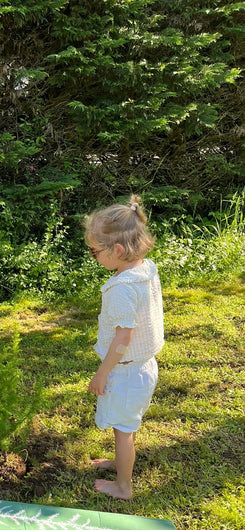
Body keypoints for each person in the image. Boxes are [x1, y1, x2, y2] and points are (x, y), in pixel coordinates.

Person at [85, 195, 164, 499]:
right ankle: (120, 464)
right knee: (126, 425)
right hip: (144, 367)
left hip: (127, 372)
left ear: (116, 250)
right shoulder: (146, 269)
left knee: (123, 431)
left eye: (94, 252)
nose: (93, 257)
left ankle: (123, 486)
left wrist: (102, 375)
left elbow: (123, 339)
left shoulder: (122, 289)